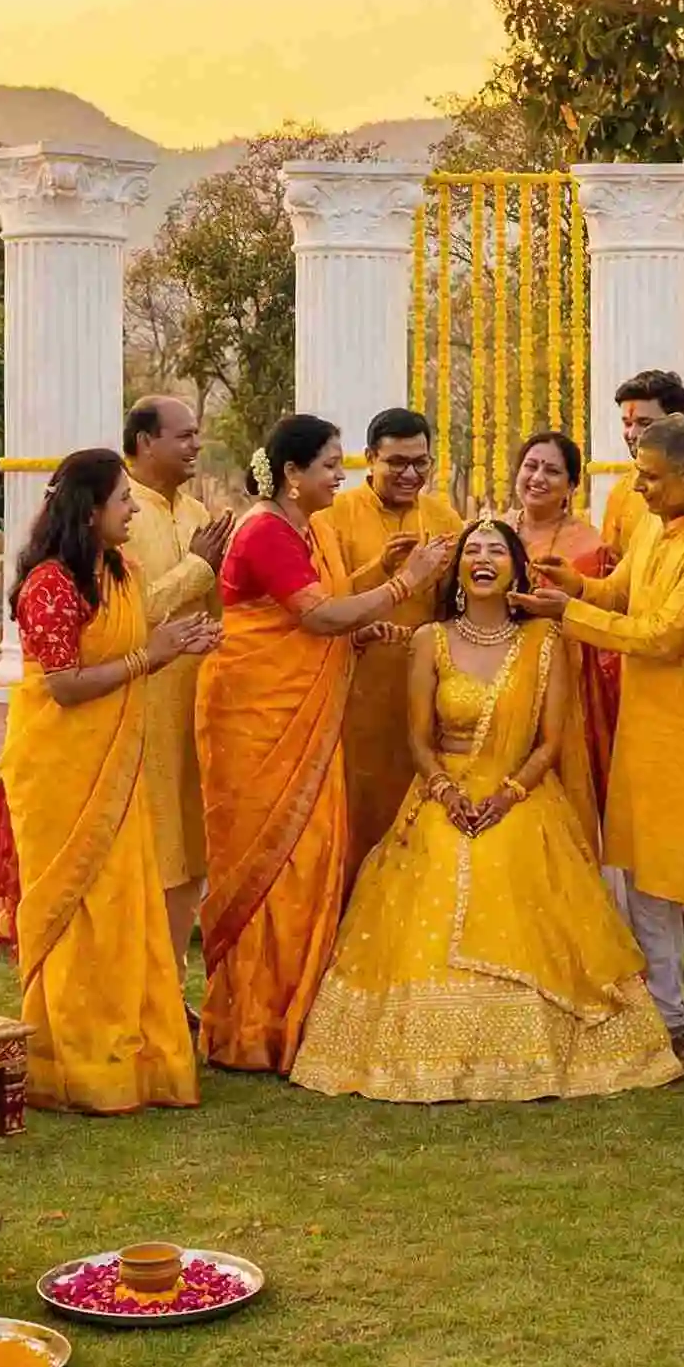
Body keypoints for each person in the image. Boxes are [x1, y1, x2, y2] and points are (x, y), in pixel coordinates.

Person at [290, 521, 681, 1104]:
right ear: (457, 570)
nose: (482, 559)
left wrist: (509, 794)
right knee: (438, 863)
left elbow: (549, 744)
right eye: (472, 550)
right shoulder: (430, 640)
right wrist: (446, 793)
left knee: (509, 860)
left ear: (517, 569)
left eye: (497, 550)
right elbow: (418, 740)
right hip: (443, 793)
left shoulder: (545, 641)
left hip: (519, 796)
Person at [197, 412, 453, 1074]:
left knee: (308, 862)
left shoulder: (298, 528)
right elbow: (317, 615)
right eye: (331, 465)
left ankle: (290, 1014)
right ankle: (254, 1025)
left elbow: (321, 607)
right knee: (277, 865)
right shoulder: (264, 532)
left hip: (295, 720)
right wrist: (405, 583)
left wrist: (373, 575)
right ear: (291, 474)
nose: (341, 477)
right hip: (258, 722)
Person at [514, 416, 684, 1069]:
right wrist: (576, 586)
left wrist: (569, 615)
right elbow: (623, 596)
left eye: (649, 478)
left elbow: (663, 637)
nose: (637, 490)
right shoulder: (655, 521)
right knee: (646, 886)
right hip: (644, 736)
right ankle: (665, 1015)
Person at [0, 448, 219, 1113]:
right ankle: (75, 1065)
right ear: (90, 511)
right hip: (59, 772)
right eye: (123, 500)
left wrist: (174, 643)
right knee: (76, 915)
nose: (131, 510)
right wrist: (149, 657)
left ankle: (133, 1056)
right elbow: (63, 687)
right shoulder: (49, 586)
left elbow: (136, 631)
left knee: (125, 910)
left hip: (115, 768)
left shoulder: (118, 569)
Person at [312, 407, 462, 881]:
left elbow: (454, 607)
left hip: (424, 690)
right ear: (370, 458)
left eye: (421, 463)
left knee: (418, 819)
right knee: (356, 815)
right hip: (354, 689)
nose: (410, 474)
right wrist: (381, 569)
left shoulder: (443, 517)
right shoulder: (333, 515)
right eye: (397, 462)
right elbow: (319, 605)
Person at [123, 396, 234, 995]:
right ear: (144, 442)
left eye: (198, 435)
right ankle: (135, 997)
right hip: (134, 710)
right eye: (184, 436)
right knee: (145, 856)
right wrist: (197, 570)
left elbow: (219, 613)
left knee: (191, 856)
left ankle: (167, 995)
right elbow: (121, 617)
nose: (195, 446)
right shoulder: (115, 514)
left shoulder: (199, 515)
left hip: (194, 708)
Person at [504, 428, 608, 854]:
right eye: (531, 466)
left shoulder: (589, 545)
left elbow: (597, 620)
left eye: (552, 471)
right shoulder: (492, 530)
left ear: (571, 486)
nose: (538, 478)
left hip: (564, 679)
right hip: (496, 676)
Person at [598, 370, 684, 560]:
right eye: (627, 423)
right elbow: (612, 568)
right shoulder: (622, 492)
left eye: (644, 423)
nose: (632, 434)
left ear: (677, 422)